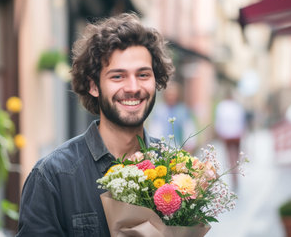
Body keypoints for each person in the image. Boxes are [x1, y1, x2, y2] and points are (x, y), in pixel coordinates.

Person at [16, 13, 174, 236]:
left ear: (155, 80)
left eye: (143, 74)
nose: (133, 87)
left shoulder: (176, 169)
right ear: (93, 86)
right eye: (118, 76)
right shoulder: (53, 176)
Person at [147, 81, 197, 151]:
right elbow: (154, 129)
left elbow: (189, 129)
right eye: (169, 94)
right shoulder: (159, 110)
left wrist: (189, 146)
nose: (171, 97)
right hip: (162, 148)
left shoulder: (183, 110)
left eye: (173, 94)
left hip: (179, 147)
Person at [214, 91, 246, 189]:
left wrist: (219, 133)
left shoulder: (221, 106)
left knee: (229, 155)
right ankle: (235, 171)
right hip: (236, 134)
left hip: (226, 135)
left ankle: (233, 171)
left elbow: (218, 121)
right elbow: (241, 121)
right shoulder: (237, 106)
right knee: (236, 155)